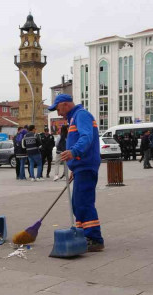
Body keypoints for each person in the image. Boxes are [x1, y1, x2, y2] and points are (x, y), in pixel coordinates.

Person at [50, 94, 104, 252]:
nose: (58, 113)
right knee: (77, 203)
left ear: (65, 105)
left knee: (83, 202)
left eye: (58, 109)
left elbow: (87, 137)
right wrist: (74, 167)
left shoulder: (81, 115)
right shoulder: (74, 118)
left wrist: (74, 151)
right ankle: (83, 234)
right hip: (81, 167)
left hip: (86, 166)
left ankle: (94, 238)